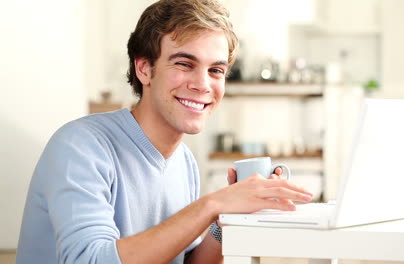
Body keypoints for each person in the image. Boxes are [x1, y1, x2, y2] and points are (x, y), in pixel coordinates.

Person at [16, 0, 313, 263]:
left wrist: (225, 220)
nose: (202, 84)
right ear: (144, 69)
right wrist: (212, 204)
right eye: (185, 64)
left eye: (216, 70)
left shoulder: (183, 162)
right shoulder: (81, 146)